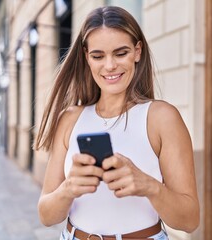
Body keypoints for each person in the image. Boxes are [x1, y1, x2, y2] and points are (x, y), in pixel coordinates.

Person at [34, 6, 199, 240]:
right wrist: (69, 188)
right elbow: (46, 215)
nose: (109, 65)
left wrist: (149, 186)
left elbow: (190, 220)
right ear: (86, 56)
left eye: (121, 53)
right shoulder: (70, 119)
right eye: (98, 56)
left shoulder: (161, 118)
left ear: (137, 51)